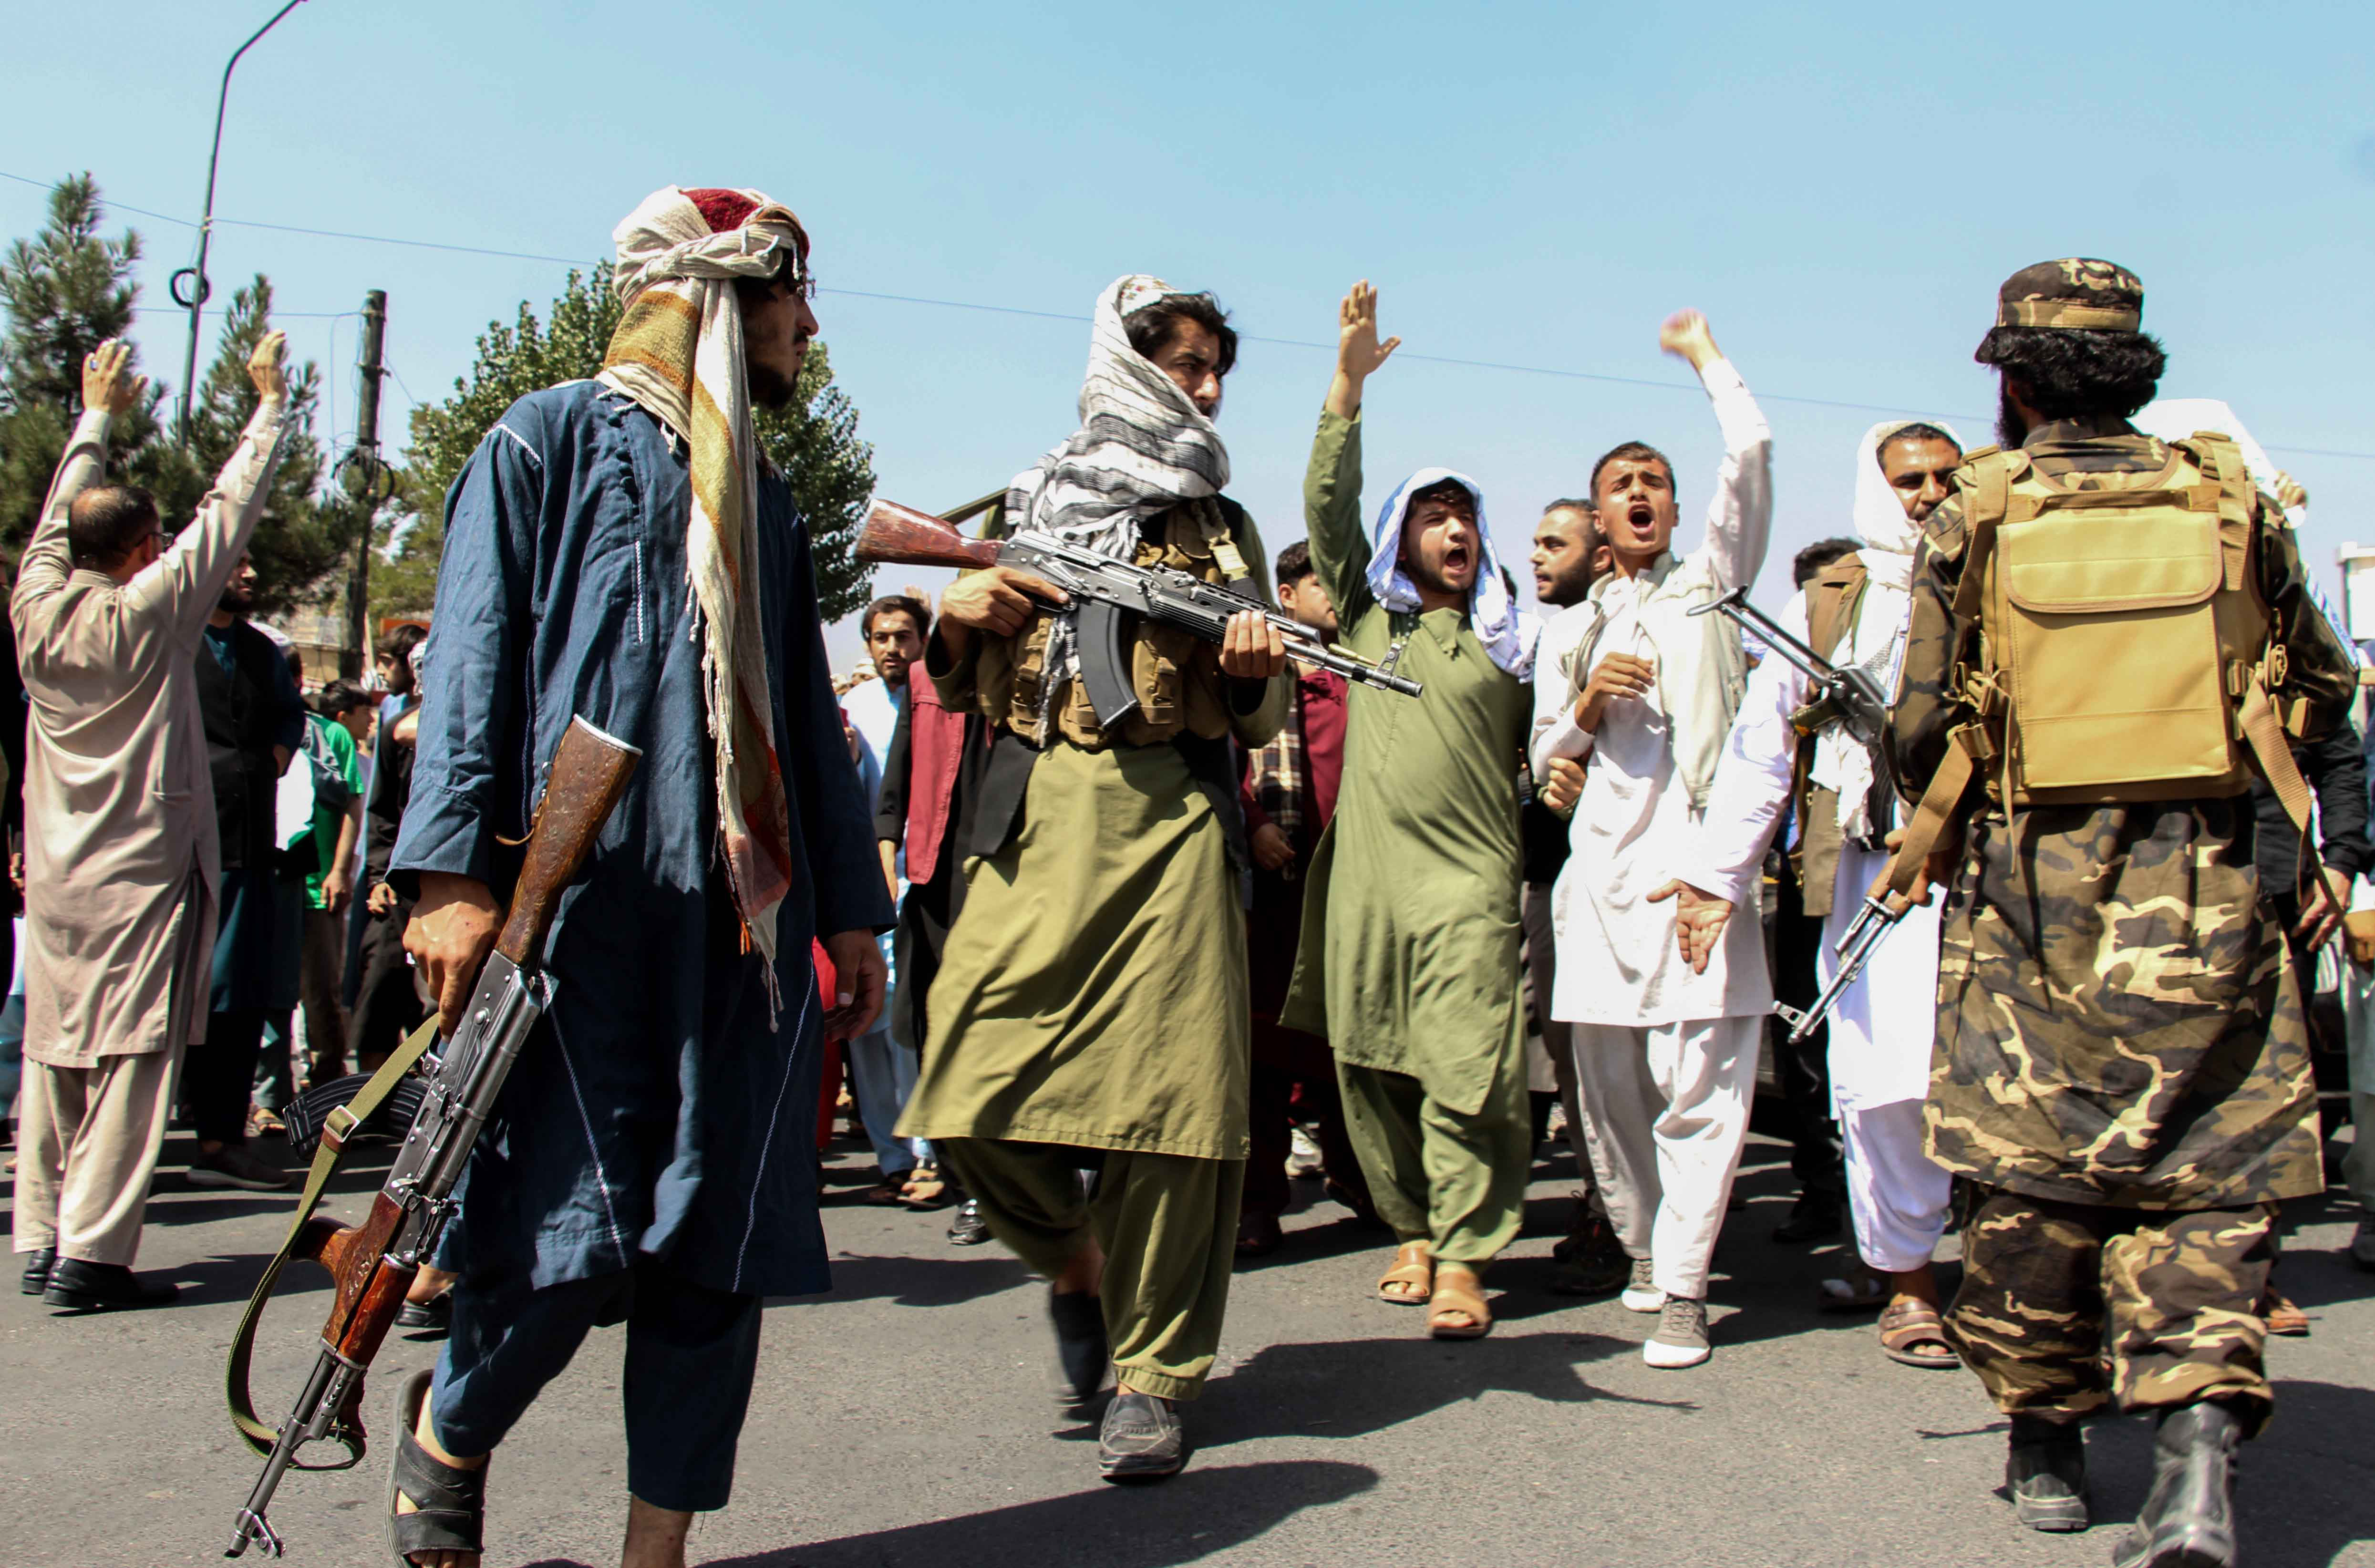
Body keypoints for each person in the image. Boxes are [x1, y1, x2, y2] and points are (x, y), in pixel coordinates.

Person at [386, 185, 891, 1568]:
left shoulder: (769, 503)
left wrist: (850, 910)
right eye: (793, 294)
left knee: (715, 1259)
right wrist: (445, 877)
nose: (809, 325)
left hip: (741, 951)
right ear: (725, 291)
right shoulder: (539, 442)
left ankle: (652, 1553)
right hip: (582, 932)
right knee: (566, 1240)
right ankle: (448, 1434)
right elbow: (478, 655)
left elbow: (799, 716)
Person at [1887, 258, 2355, 1560]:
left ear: (2014, 380)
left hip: (2029, 910)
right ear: (2135, 372)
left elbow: (1921, 726)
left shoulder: (1970, 513)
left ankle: (2045, 1438)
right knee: (2205, 1193)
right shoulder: (2227, 500)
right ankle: (2195, 1453)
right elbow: (2318, 687)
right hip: (2207, 899)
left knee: (2032, 1190)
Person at [897, 274, 1288, 1482]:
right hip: (1033, 816)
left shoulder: (1220, 527)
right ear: (1128, 366)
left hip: (1167, 813)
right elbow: (963, 673)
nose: (1209, 388)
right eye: (1187, 362)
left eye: (1221, 368)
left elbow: (1259, 702)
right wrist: (956, 611)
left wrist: (1250, 657)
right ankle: (1077, 1264)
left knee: (1176, 1114)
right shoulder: (1030, 500)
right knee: (962, 1086)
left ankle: (1154, 1376)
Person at [1661, 419, 1966, 1372]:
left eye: (1945, 476)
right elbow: (1763, 745)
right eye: (1908, 479)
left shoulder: (2002, 576)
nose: (1928, 494)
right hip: (1881, 873)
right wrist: (1717, 880)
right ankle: (1909, 1280)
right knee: (1885, 1084)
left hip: (1993, 871)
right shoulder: (1832, 601)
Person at [10, 332, 291, 1310]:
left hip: (56, 869)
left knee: (55, 1052)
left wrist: (96, 418)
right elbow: (227, 517)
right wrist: (266, 411)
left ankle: (43, 1235)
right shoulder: (149, 613)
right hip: (140, 869)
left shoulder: (35, 608)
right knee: (132, 1059)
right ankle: (91, 1256)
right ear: (142, 551)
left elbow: (55, 525)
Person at [1280, 281, 1538, 1340]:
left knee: (1471, 1059)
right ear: (1404, 539)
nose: (1455, 530)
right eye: (1434, 515)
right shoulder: (1367, 627)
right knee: (1372, 1061)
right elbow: (1325, 514)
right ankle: (1416, 1227)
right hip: (1370, 885)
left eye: (1467, 516)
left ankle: (1469, 1256)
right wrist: (1345, 385)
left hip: (1471, 886)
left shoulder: (1514, 645)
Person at [1531, 307, 1773, 1370]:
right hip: (1601, 888)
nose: (1639, 494)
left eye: (1655, 482)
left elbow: (1752, 453)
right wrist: (1587, 705)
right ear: (1594, 516)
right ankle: (1641, 1248)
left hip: (1695, 878)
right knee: (1611, 1091)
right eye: (1619, 485)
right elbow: (1543, 763)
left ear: (1675, 509)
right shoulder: (1568, 629)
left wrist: (1705, 359)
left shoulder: (1712, 588)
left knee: (1703, 1087)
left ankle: (1684, 1285)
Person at [1237, 539, 1372, 1256]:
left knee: (1350, 1046)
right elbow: (1222, 753)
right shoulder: (1255, 664)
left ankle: (1361, 1178)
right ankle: (1259, 1203)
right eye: (1321, 580)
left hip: (1347, 895)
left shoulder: (1364, 673)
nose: (1334, 594)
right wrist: (1254, 823)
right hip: (1272, 894)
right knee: (1263, 1054)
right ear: (1286, 596)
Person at [1525, 500, 1626, 1295]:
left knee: (1606, 1055)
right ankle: (1608, 1206)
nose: (1537, 557)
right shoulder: (1542, 636)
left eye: (1554, 544)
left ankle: (1619, 1217)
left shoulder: (1619, 632)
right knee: (1571, 1055)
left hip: (1605, 872)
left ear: (1598, 555)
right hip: (1545, 875)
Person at [184, 555, 307, 1190]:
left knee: (236, 997)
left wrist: (276, 757)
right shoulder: (169, 640)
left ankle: (221, 1141)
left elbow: (292, 715)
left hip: (248, 849)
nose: (253, 574)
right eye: (239, 564)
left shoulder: (261, 651)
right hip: (174, 852)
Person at [1759, 536, 1862, 1246]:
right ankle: (1822, 1189)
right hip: (1798, 880)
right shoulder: (1777, 680)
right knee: (1800, 1033)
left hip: (1865, 873)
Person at [844, 593, 935, 1205]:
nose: (893, 649)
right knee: (865, 1030)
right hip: (864, 893)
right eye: (882, 639)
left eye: (904, 637)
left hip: (923, 890)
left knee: (908, 1026)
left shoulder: (942, 698)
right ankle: (891, 1160)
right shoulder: (853, 711)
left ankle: (926, 1152)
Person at [252, 678, 372, 1126]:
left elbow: (350, 806)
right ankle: (268, 1096)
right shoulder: (248, 729)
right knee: (267, 993)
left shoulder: (328, 736)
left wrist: (340, 870)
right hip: (264, 884)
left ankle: (326, 1087)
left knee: (321, 988)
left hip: (317, 885)